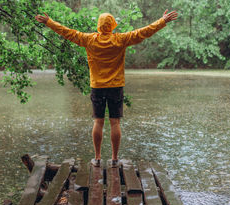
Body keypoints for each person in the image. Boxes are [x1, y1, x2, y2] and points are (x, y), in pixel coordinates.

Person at [35, 9, 178, 167]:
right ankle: (115, 159)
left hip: (97, 87)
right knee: (115, 122)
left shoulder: (89, 39)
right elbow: (143, 32)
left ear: (99, 26)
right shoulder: (120, 39)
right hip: (116, 86)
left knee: (98, 121)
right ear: (111, 26)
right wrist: (163, 21)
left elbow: (68, 33)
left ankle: (97, 159)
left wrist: (49, 22)